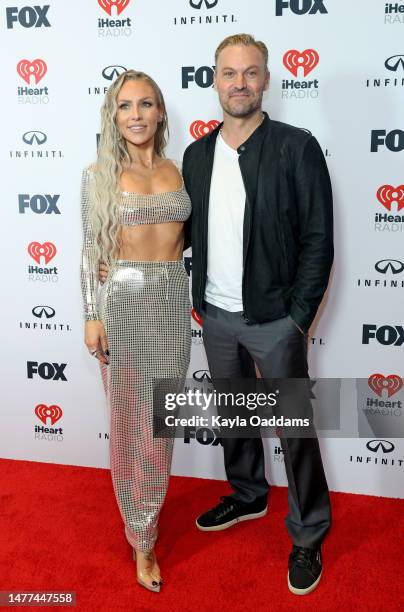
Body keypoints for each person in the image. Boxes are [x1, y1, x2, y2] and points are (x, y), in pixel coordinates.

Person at [182, 34, 333, 595]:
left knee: (294, 429)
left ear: (267, 79)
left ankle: (309, 533)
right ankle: (247, 496)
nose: (239, 83)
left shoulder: (297, 146)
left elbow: (319, 240)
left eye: (250, 73)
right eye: (228, 73)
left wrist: (298, 317)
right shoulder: (197, 155)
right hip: (216, 316)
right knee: (235, 417)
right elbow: (184, 232)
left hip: (276, 319)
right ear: (214, 79)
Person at [80, 70, 191, 593]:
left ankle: (148, 514)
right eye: (126, 106)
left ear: (161, 111)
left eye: (147, 104)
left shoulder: (182, 169)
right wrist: (91, 312)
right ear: (114, 115)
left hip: (171, 303)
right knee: (129, 428)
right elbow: (90, 250)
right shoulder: (98, 175)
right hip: (121, 304)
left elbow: (193, 240)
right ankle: (141, 537)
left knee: (160, 427)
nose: (137, 115)